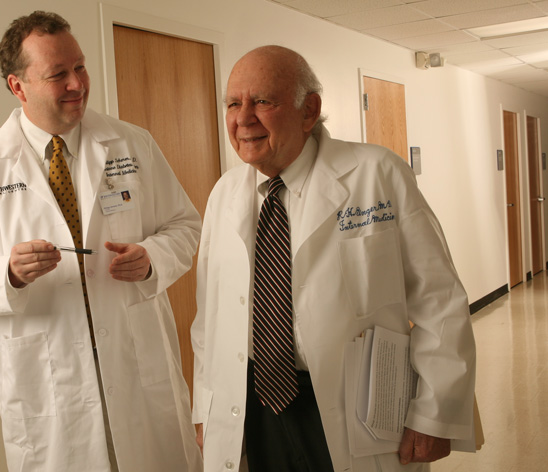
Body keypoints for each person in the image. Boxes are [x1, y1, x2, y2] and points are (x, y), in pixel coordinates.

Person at [0, 11, 202, 472]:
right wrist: (7, 274)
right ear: (18, 87)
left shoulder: (132, 144)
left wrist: (152, 258)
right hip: (49, 389)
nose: (77, 83)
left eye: (80, 67)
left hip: (137, 369)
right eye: (58, 74)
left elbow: (185, 226)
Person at [191, 45, 476, 472]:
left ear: (310, 111)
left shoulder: (377, 173)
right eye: (234, 103)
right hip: (254, 406)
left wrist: (436, 412)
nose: (243, 118)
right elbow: (208, 318)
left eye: (263, 101)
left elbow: (439, 299)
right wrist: (205, 406)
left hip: (358, 407)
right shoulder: (224, 194)